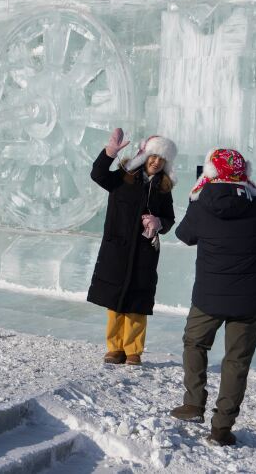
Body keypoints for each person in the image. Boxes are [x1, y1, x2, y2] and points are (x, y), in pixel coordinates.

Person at [169, 148, 256, 447]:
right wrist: (253, 191)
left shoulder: (201, 203)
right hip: (249, 299)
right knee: (236, 361)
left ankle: (193, 402)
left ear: (211, 173)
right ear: (245, 174)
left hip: (209, 297)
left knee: (195, 342)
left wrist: (195, 195)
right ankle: (221, 428)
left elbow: (184, 236)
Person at [86, 128, 177, 366]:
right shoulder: (122, 177)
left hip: (144, 253)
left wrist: (159, 223)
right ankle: (115, 348)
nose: (156, 162)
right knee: (115, 302)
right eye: (153, 157)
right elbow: (97, 174)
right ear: (145, 156)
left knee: (137, 303)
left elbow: (169, 219)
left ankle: (133, 350)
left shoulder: (163, 188)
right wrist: (108, 154)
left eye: (161, 159)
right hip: (117, 250)